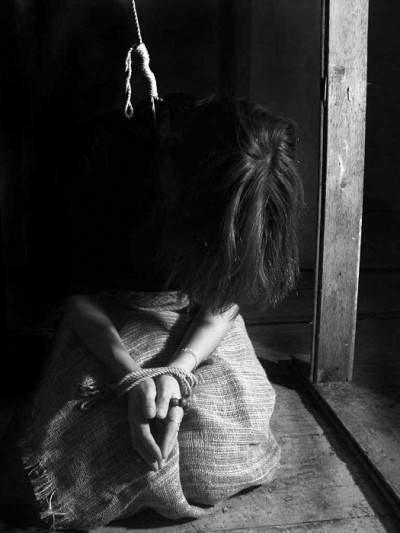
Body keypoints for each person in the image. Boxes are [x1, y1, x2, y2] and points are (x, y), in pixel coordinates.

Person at [18, 94, 303, 529]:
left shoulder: (247, 176)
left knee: (214, 462)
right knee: (104, 448)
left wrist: (180, 370)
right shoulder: (101, 152)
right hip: (110, 316)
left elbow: (223, 299)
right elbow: (77, 294)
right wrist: (132, 377)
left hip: (198, 320)